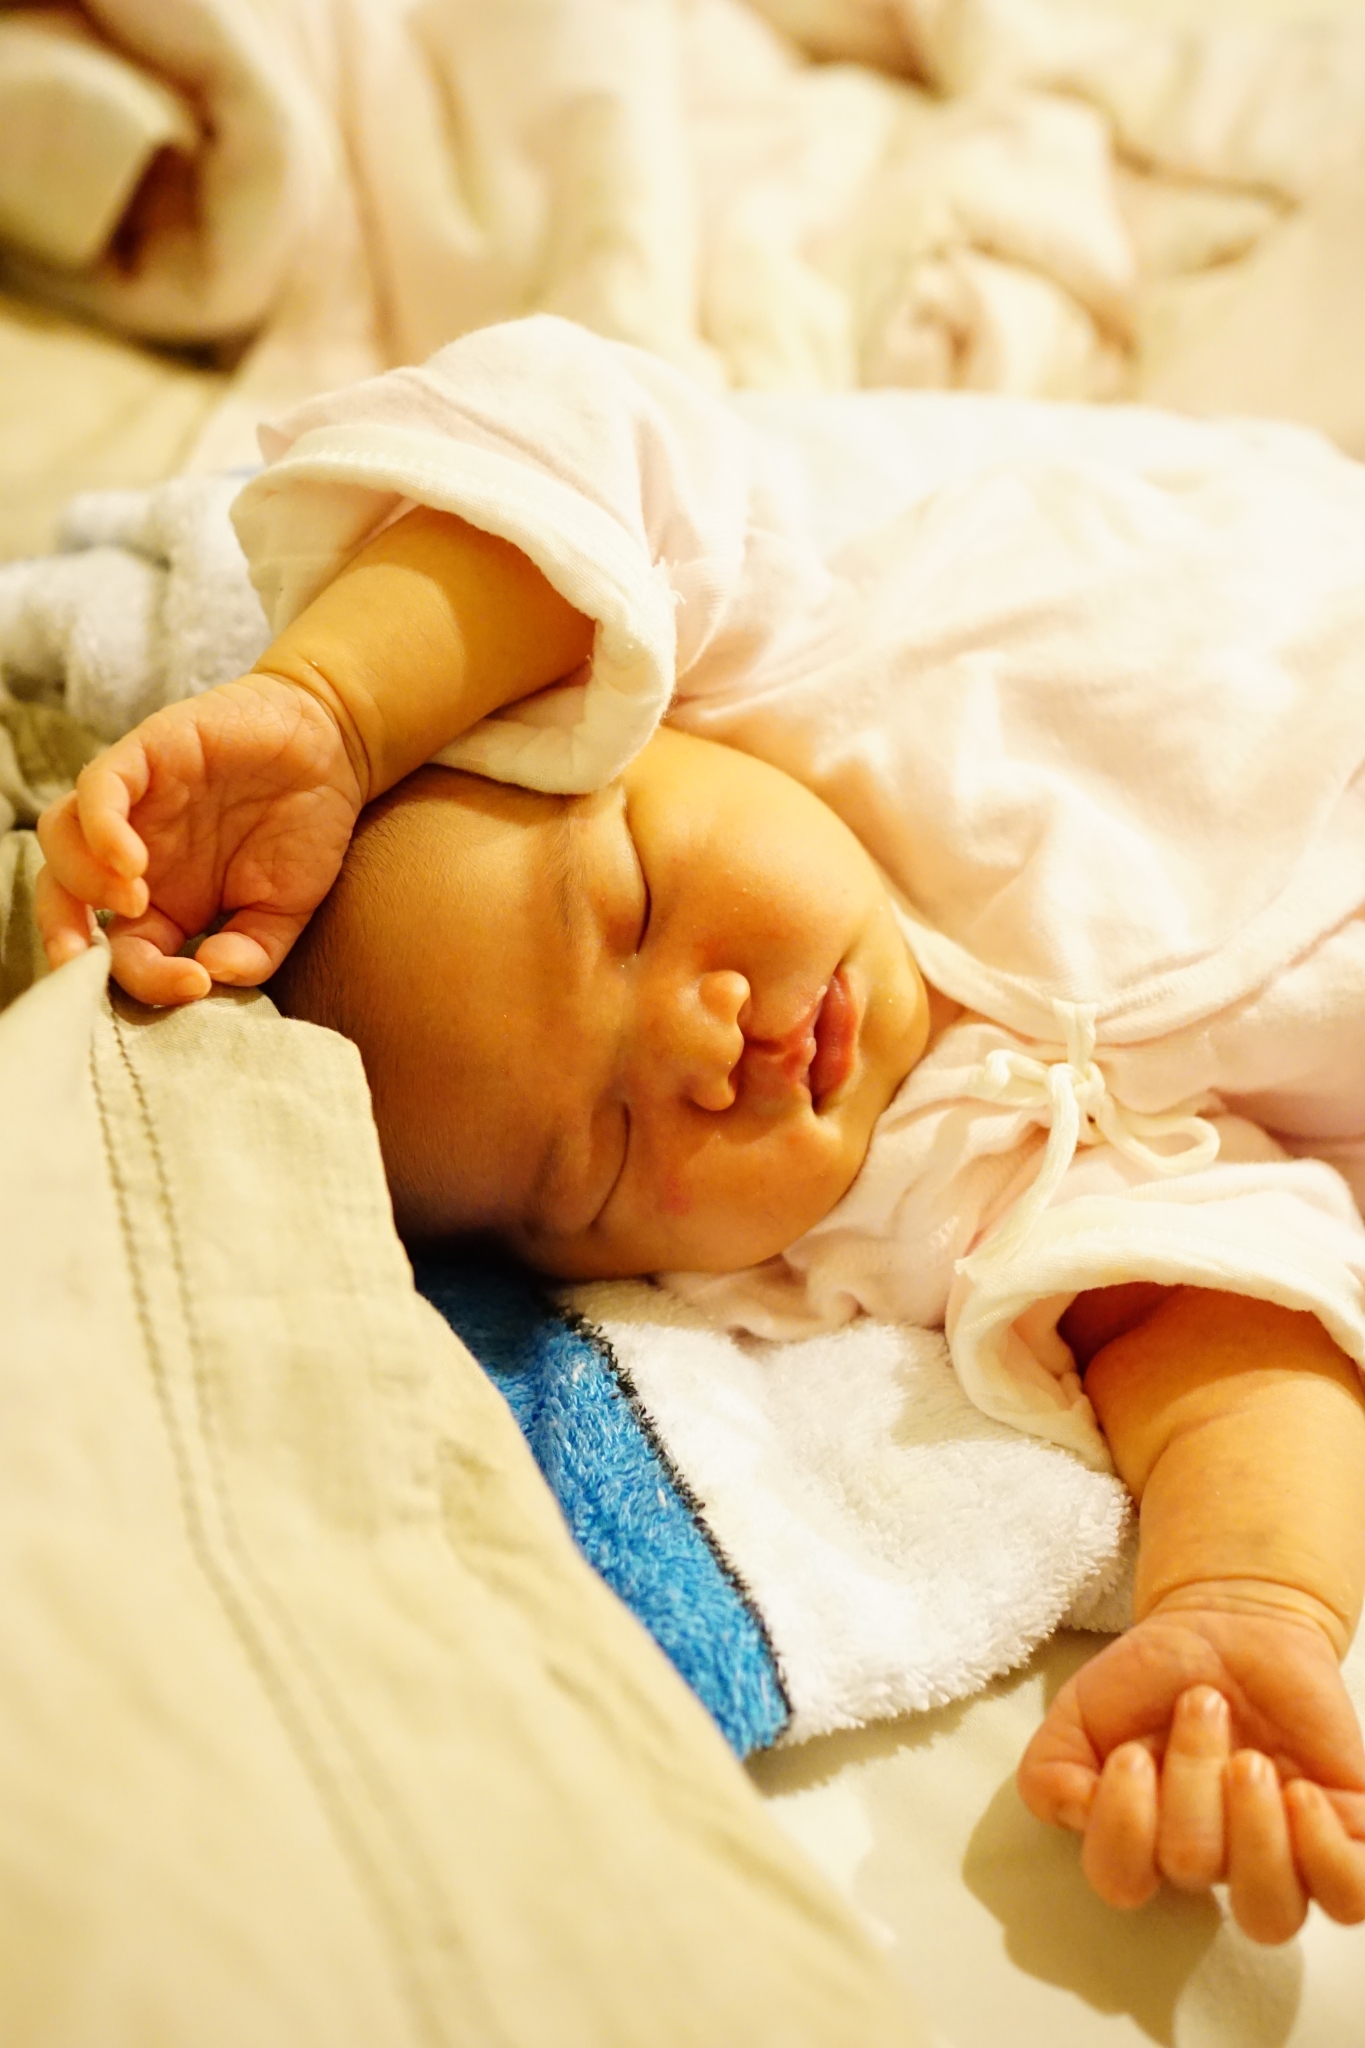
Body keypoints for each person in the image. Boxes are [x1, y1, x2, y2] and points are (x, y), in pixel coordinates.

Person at [34, 317, 1365, 1946]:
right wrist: (1245, 1596)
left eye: (636, 903)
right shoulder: (929, 1184)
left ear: (619, 717)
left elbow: (575, 450)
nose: (698, 1042)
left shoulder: (779, 655)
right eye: (604, 1150)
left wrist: (337, 704)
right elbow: (1219, 1307)